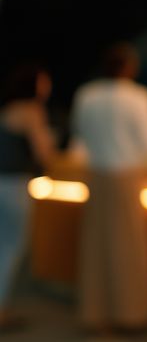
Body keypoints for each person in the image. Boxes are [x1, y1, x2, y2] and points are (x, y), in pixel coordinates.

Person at [71, 42, 147, 332]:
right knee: (130, 249)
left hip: (95, 176)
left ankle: (94, 314)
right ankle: (132, 315)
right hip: (128, 177)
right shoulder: (139, 98)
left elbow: (79, 138)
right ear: (128, 67)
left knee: (95, 247)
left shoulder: (86, 95)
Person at [0, 62, 56, 332]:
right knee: (11, 248)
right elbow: (43, 153)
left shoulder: (7, 108)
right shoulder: (31, 111)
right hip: (13, 184)